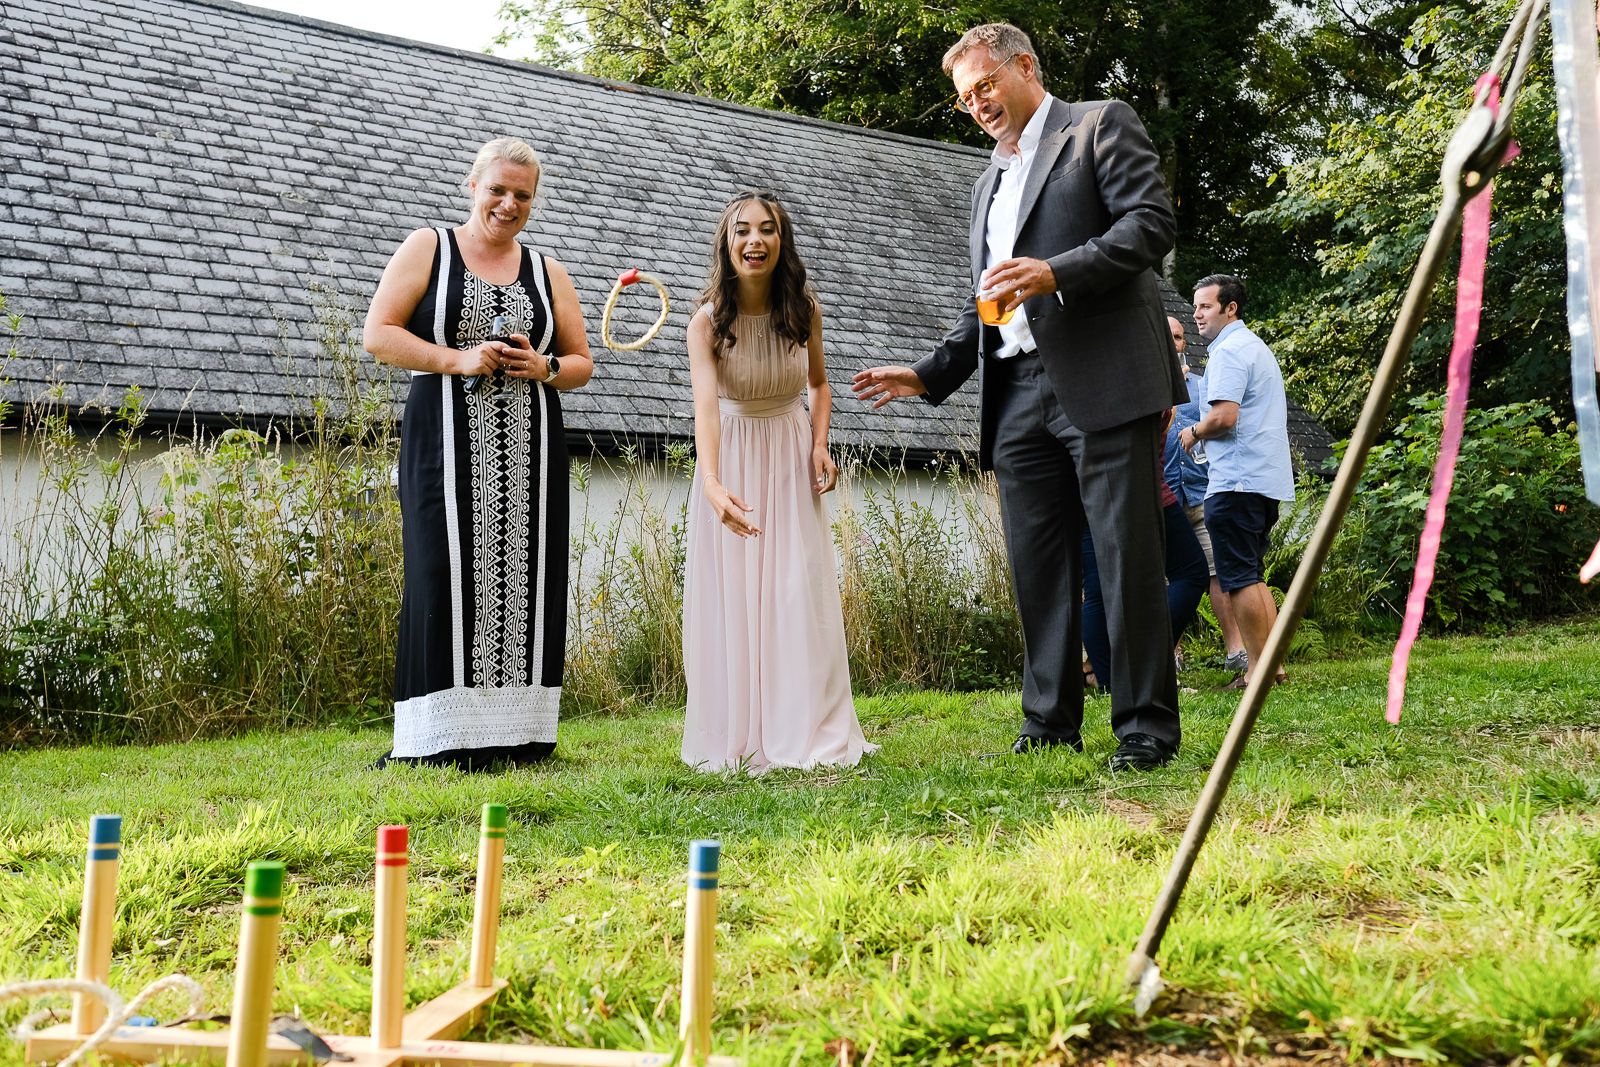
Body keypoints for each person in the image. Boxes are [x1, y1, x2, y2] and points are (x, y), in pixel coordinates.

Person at [851, 23, 1188, 771]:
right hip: (1015, 393)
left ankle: (1144, 729)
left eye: (984, 86)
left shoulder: (1098, 125)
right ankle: (1048, 724)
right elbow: (987, 298)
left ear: (1024, 66)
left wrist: (1056, 271)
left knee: (1126, 556)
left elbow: (1151, 225)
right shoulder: (987, 181)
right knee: (1037, 565)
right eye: (965, 98)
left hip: (1104, 379)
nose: (977, 105)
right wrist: (930, 372)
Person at [363, 137, 594, 769]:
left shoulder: (548, 270)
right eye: (498, 189)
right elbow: (377, 334)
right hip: (442, 438)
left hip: (531, 448)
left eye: (523, 195)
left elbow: (581, 363)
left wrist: (543, 366)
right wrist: (456, 359)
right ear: (473, 187)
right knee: (440, 573)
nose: (509, 203)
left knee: (526, 575)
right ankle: (433, 739)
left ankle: (519, 736)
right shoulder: (428, 246)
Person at [681, 191, 876, 773]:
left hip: (791, 458)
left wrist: (819, 443)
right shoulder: (706, 323)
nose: (755, 241)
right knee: (735, 597)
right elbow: (707, 412)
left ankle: (804, 726)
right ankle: (739, 732)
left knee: (795, 592)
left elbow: (819, 385)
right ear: (727, 243)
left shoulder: (804, 312)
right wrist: (712, 484)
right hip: (733, 462)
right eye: (742, 231)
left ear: (782, 242)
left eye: (768, 230)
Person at [1179, 274, 1294, 690]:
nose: (1196, 315)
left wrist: (1192, 432)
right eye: (1195, 307)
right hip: (1263, 478)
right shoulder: (1255, 347)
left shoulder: (1228, 352)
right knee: (1253, 572)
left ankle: (1256, 673)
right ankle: (1272, 667)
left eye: (1205, 306)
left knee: (1238, 578)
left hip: (1236, 481)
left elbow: (1224, 417)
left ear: (1231, 308)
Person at [1164, 315, 1246, 671]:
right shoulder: (1142, 388)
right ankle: (1172, 654)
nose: (1174, 342)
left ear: (1185, 344)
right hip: (1162, 497)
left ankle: (1236, 652)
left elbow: (1224, 425)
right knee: (1166, 578)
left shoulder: (1203, 385)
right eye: (1167, 337)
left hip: (1200, 493)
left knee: (1218, 573)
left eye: (1180, 337)